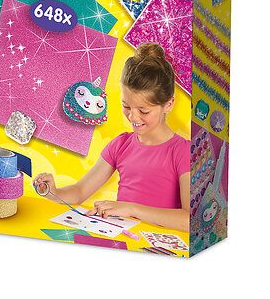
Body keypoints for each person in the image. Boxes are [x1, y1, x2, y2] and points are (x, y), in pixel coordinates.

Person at [34, 43, 190, 231]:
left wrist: (132, 209)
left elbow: (189, 220)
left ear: (168, 104)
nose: (133, 117)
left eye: (144, 111)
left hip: (161, 244)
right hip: (123, 239)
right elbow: (80, 191)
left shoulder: (183, 152)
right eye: (126, 106)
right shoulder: (121, 144)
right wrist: (53, 191)